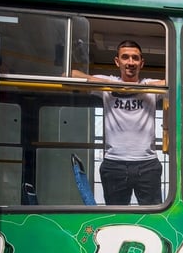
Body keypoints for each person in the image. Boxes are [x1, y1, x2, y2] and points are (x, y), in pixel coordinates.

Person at [71, 40, 166, 205]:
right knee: (116, 217)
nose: (130, 62)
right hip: (114, 163)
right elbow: (71, 74)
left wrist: (147, 87)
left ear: (141, 63)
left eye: (135, 58)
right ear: (117, 61)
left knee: (154, 216)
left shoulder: (149, 87)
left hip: (147, 164)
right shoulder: (108, 83)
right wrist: (112, 85)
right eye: (125, 57)